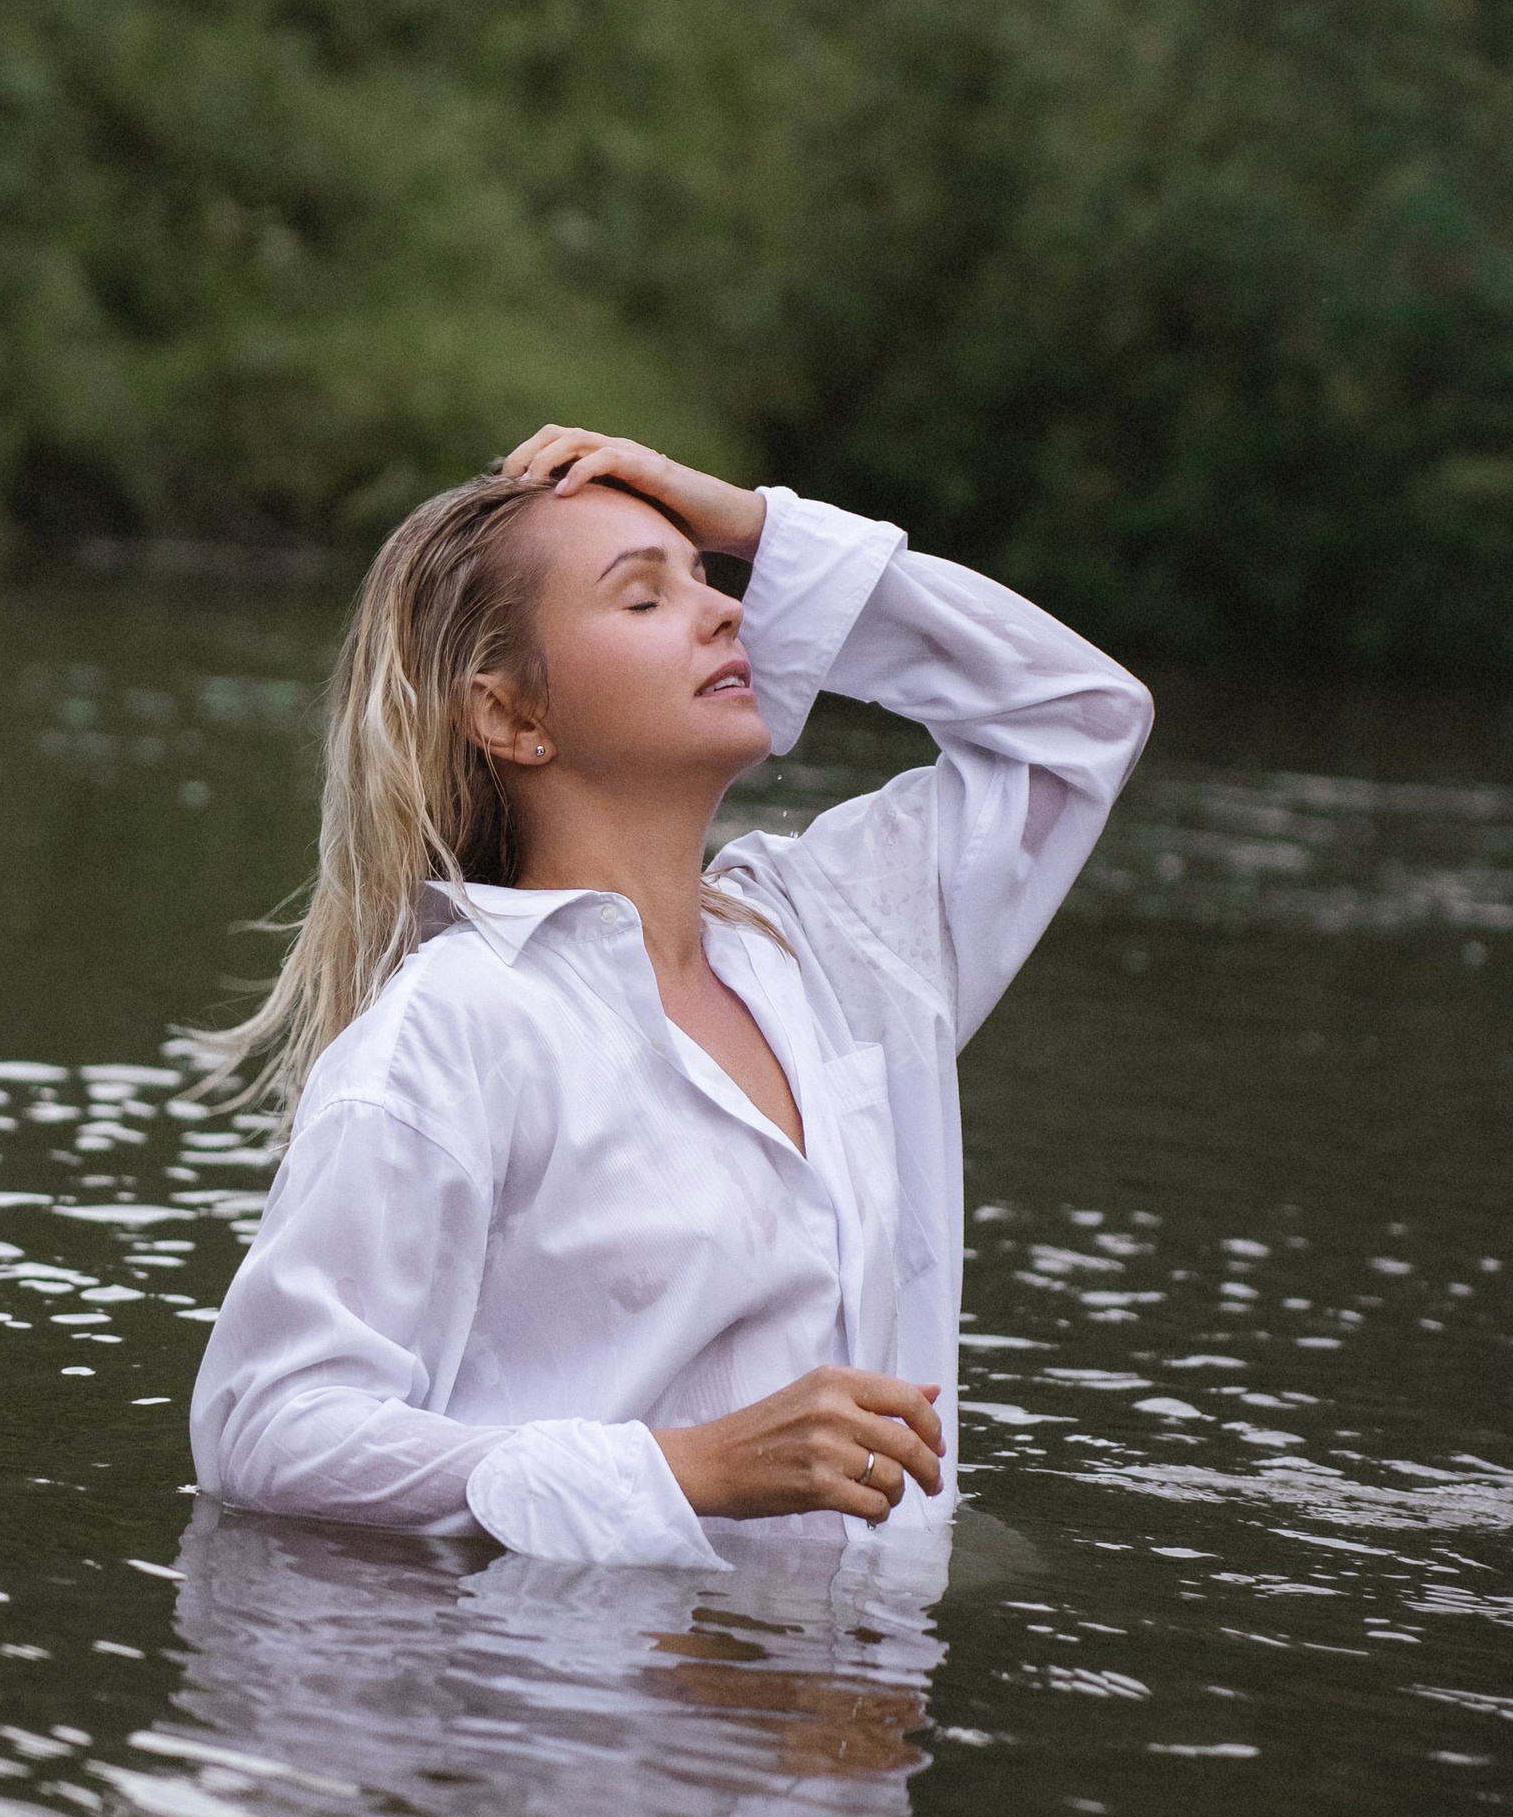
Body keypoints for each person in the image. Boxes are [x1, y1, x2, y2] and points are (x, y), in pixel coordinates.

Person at [189, 424, 1153, 1568]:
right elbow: (265, 1430)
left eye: (711, 578)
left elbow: (1078, 721)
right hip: (562, 1672)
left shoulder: (825, 943)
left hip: (850, 1670)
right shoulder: (453, 1027)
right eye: (644, 597)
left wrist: (758, 524)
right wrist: (683, 1471)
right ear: (511, 716)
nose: (726, 612)